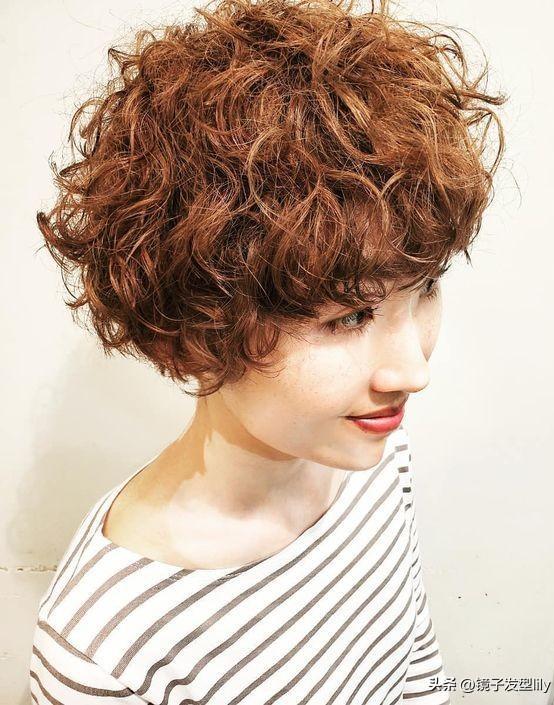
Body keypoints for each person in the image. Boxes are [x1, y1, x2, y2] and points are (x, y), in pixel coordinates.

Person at [29, 0, 505, 702]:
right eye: (350, 315)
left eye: (426, 285)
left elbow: (412, 667)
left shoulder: (373, 456)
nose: (412, 372)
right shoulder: (106, 651)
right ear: (197, 328)